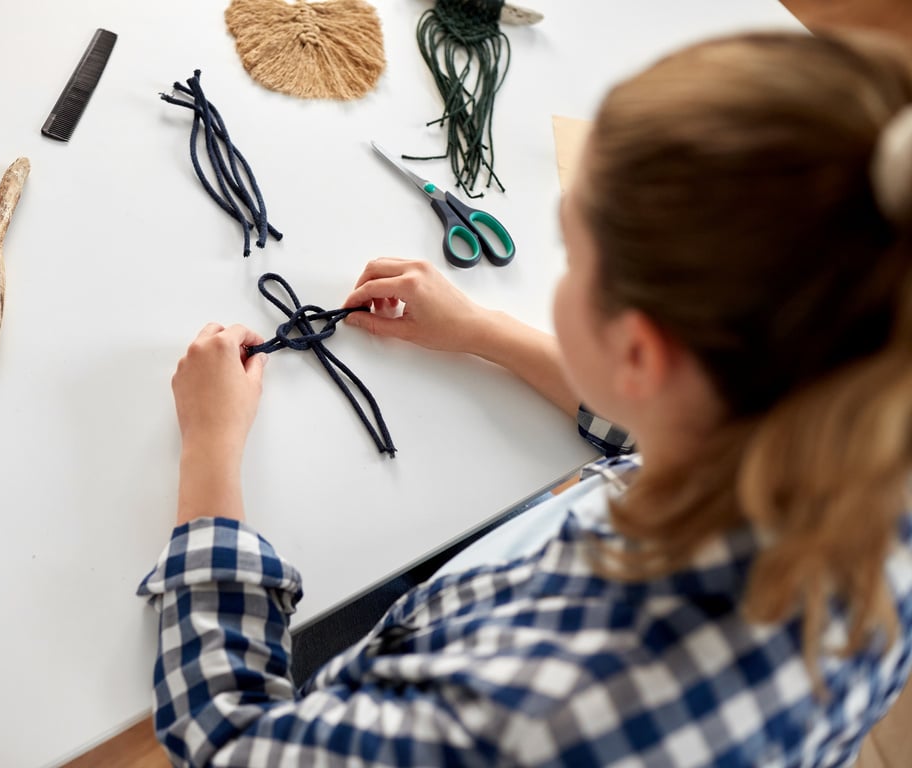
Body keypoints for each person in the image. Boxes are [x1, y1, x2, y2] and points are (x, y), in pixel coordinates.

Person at [139, 29, 912, 766]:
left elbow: (229, 744)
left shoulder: (532, 713)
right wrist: (483, 329)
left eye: (571, 255)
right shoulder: (864, 444)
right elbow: (669, 431)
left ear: (639, 352)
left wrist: (210, 455)